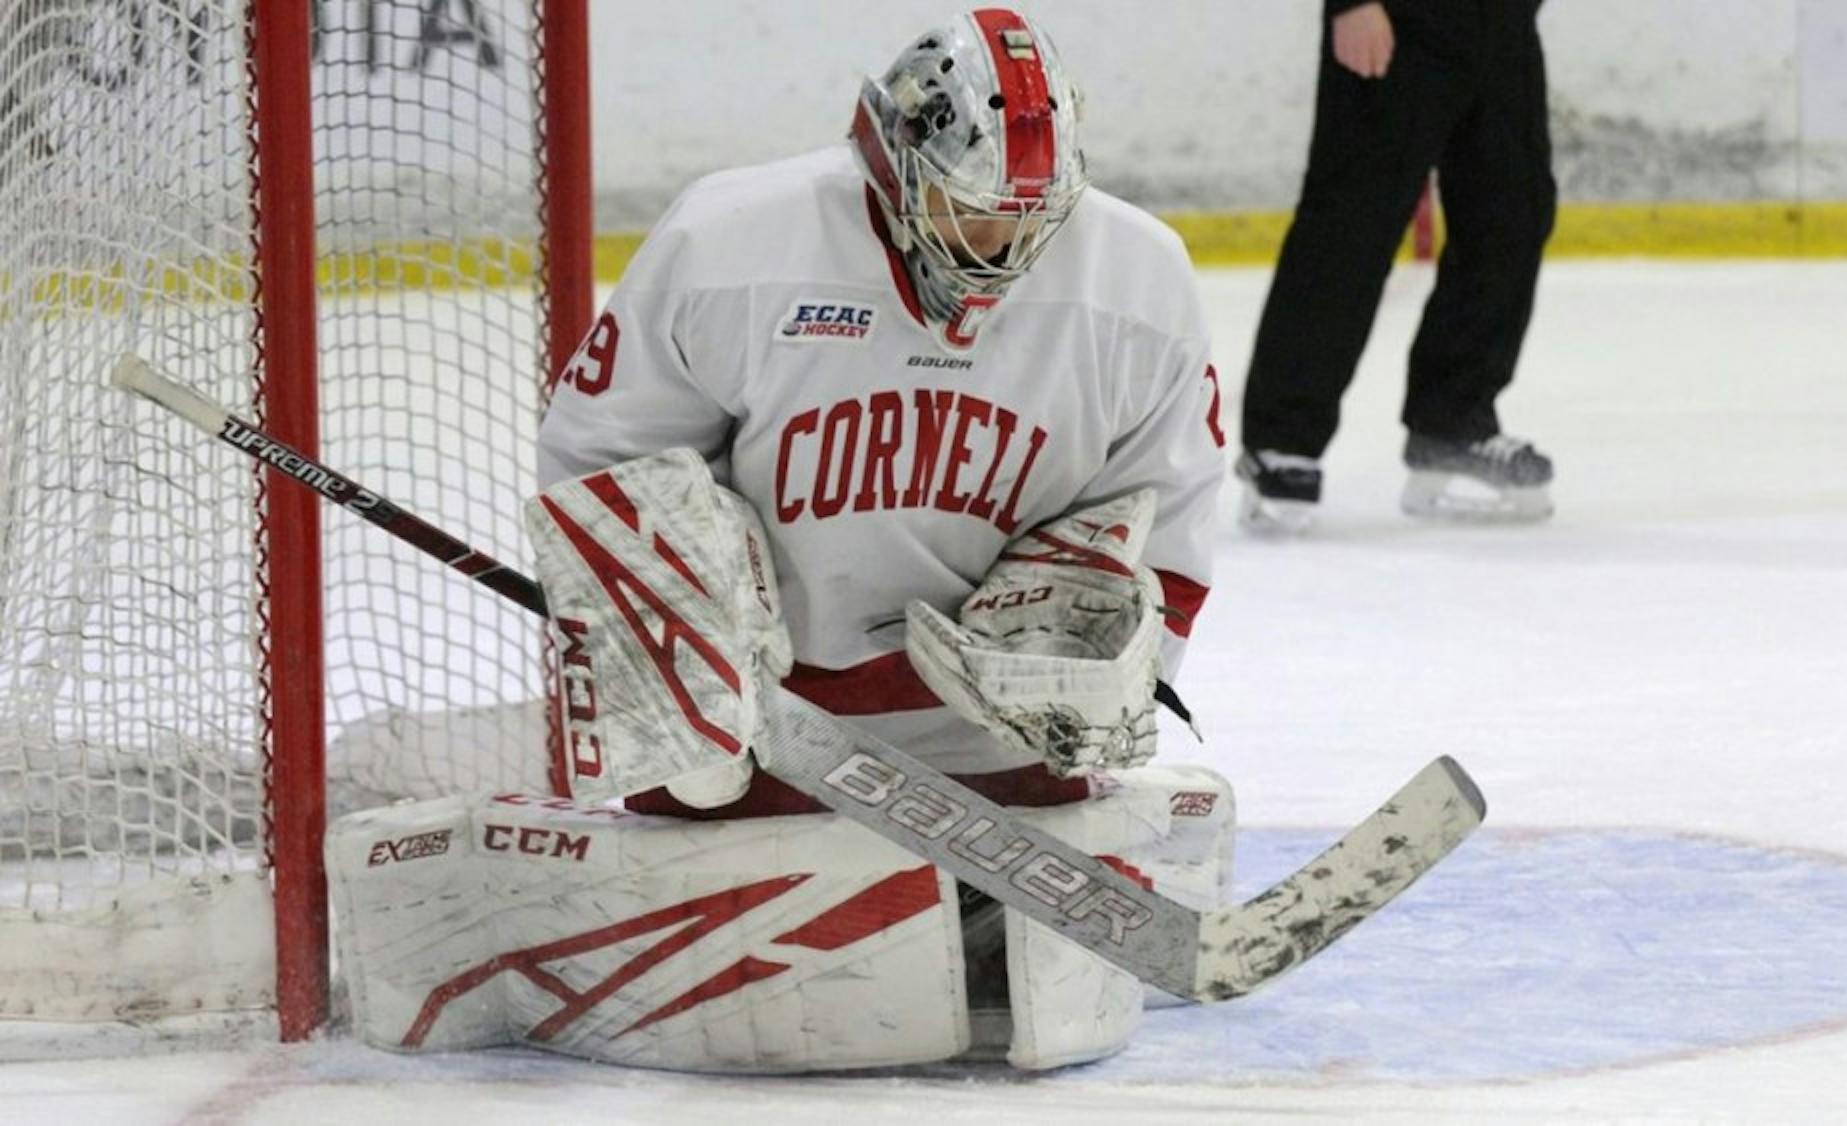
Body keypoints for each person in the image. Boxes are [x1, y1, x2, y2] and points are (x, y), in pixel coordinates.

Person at [324, 8, 1234, 1074]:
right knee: (690, 709)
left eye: (1027, 216)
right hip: (765, 715)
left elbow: (1169, 506)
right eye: (969, 208)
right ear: (892, 160)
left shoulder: (1137, 277)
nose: (998, 245)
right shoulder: (732, 242)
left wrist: (1113, 676)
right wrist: (670, 647)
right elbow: (601, 454)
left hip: (994, 716)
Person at [1236, 0, 1558, 531]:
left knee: (1512, 217)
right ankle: (1282, 441)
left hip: (1503, 20)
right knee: (1353, 222)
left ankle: (1452, 422)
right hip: (1399, 18)